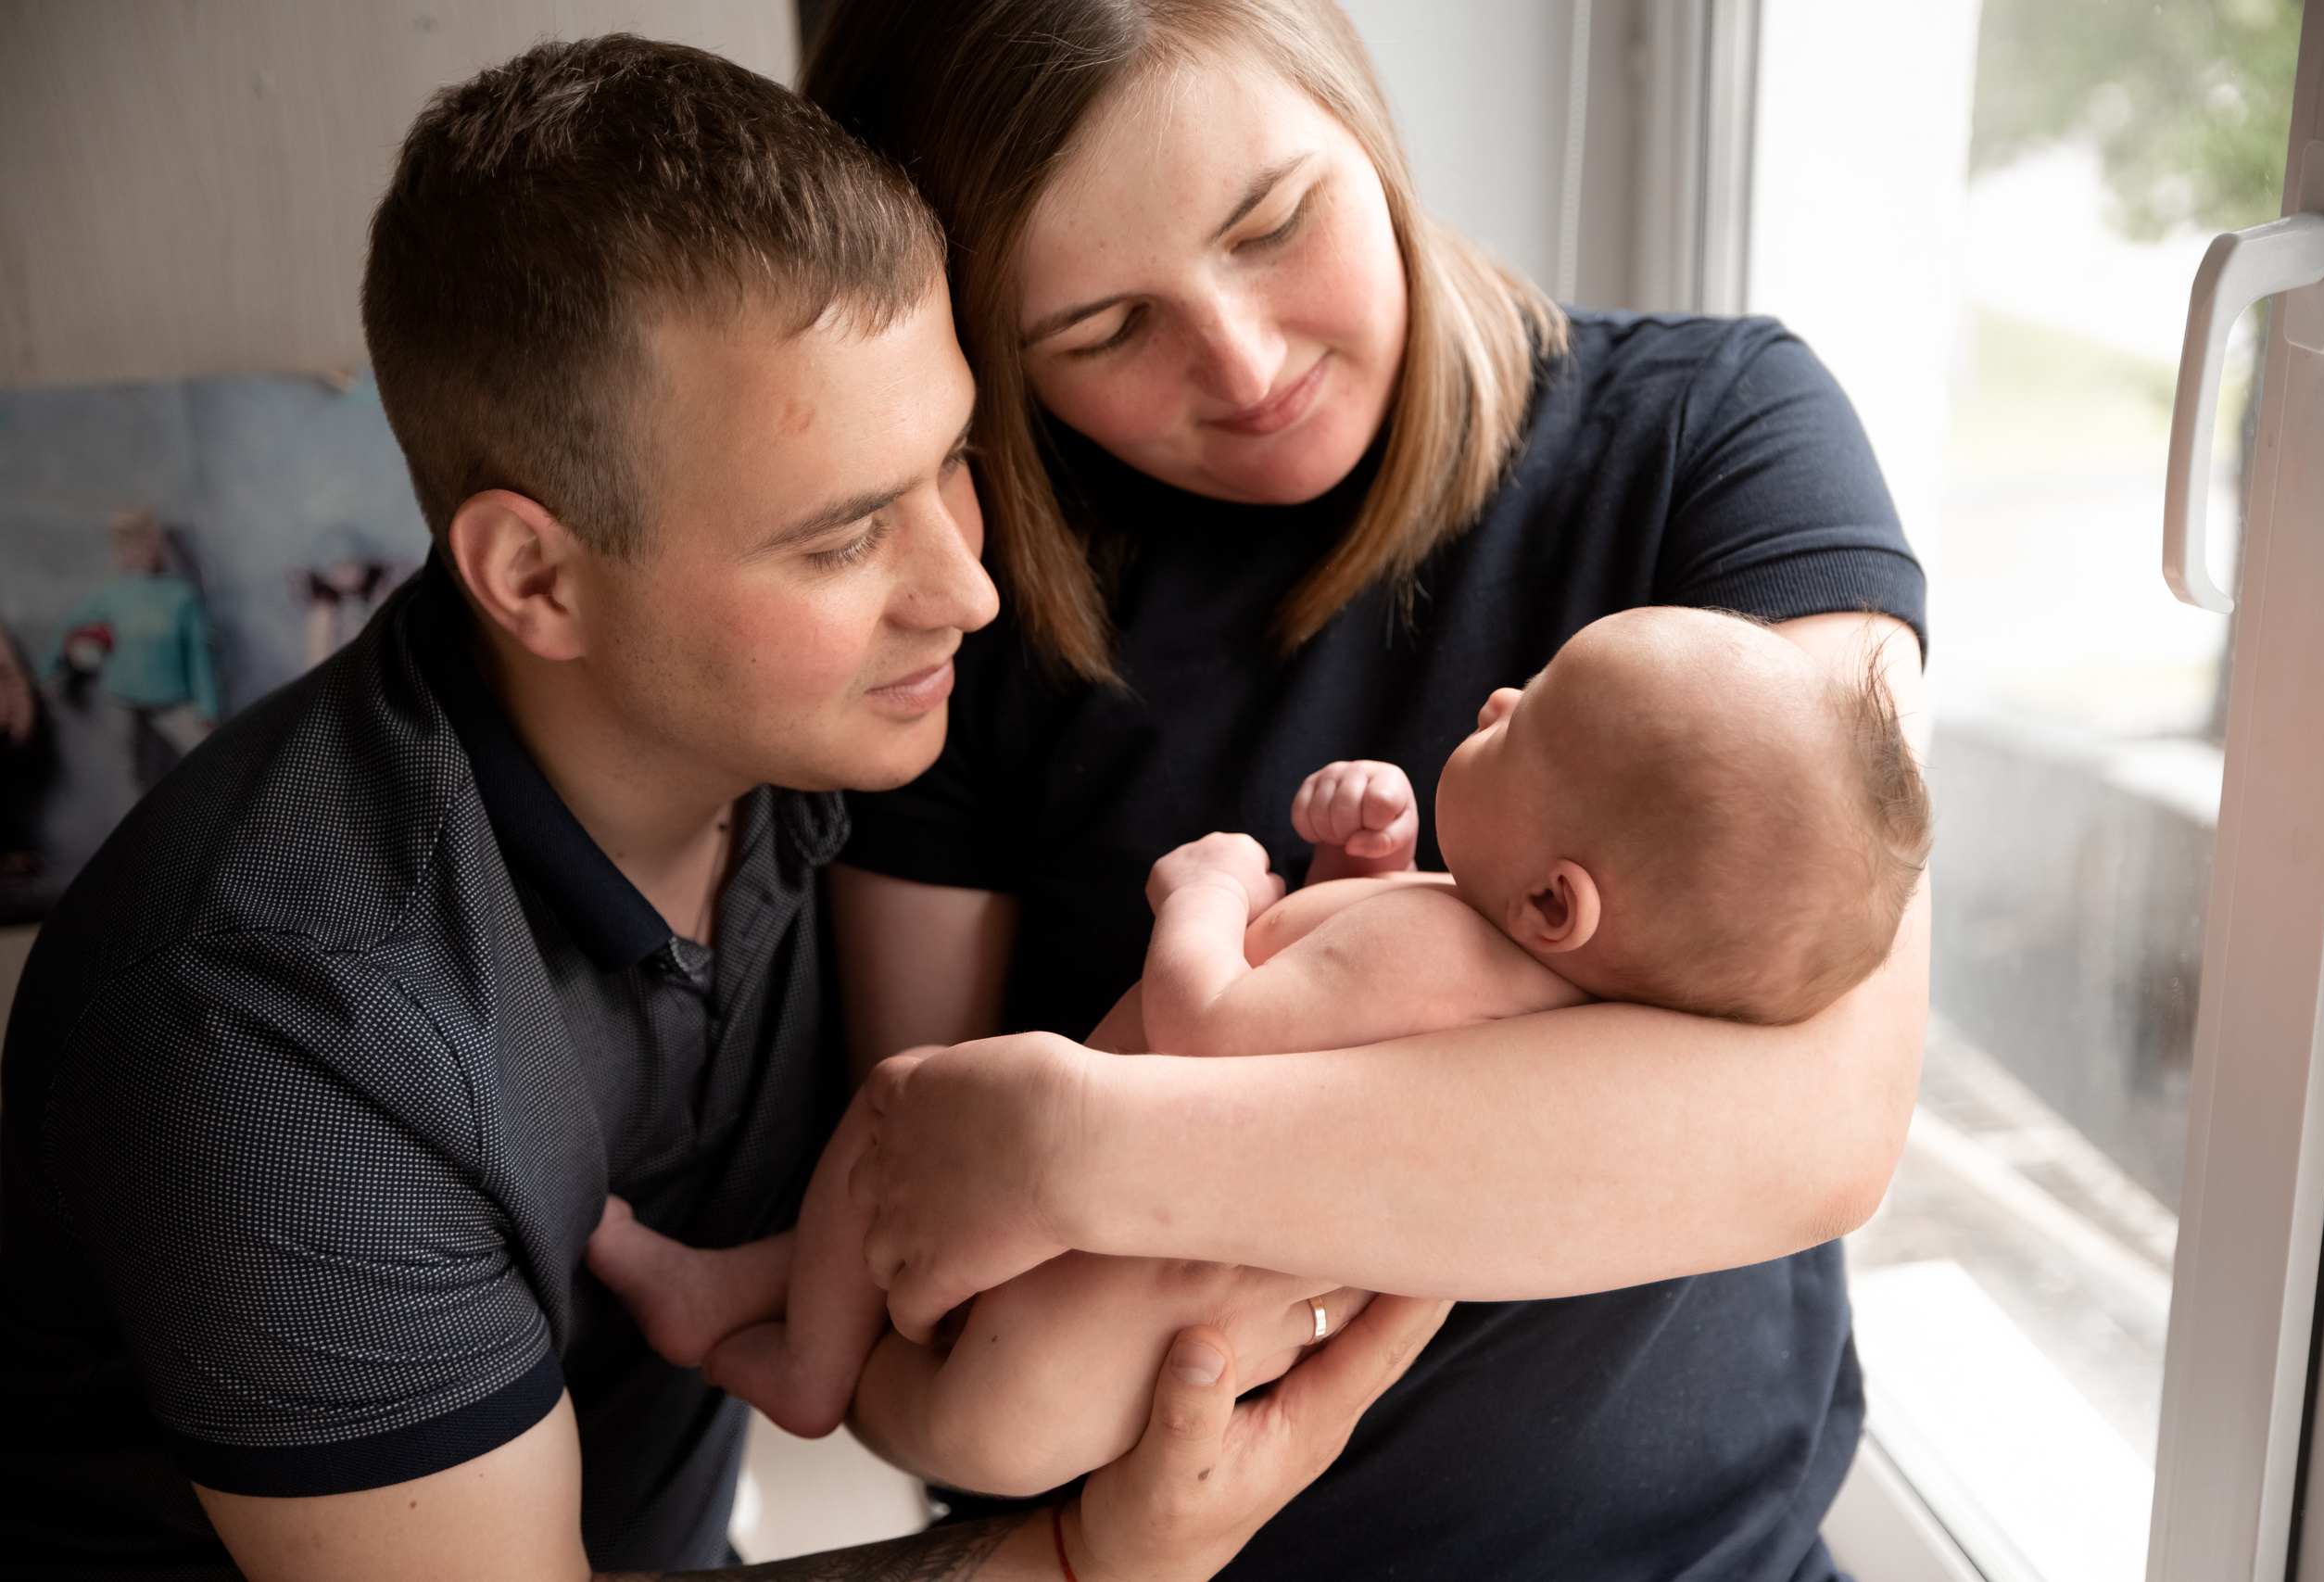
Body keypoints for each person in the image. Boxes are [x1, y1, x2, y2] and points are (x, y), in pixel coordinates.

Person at [0, 37, 1445, 1582]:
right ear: (536, 577)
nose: (966, 589)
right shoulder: (275, 1039)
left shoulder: (815, 745)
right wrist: (1095, 1560)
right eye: (840, 540)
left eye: (952, 460)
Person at [796, 3, 1933, 1577]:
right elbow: (915, 1238)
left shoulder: (1716, 433)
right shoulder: (971, 614)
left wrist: (1085, 1145)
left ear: (1361, 120)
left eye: (1273, 223)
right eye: (1103, 330)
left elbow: (1819, 1124)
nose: (1244, 362)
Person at [587, 604, 1934, 1507]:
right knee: (898, 1193)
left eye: (1529, 722)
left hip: (1025, 1348)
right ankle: (737, 1294)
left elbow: (1214, 1029)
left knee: (897, 1116)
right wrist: (1361, 869)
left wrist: (1212, 888)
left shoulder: (1433, 950)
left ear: (1553, 901)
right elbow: (1332, 1022)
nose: (1499, 694)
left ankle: (799, 1358)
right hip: (1066, 1384)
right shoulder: (1521, 996)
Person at [44, 507, 219, 791]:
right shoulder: (110, 595)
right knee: (131, 769)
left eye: (145, 541)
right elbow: (70, 627)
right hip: (122, 695)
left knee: (208, 752)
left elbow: (199, 654)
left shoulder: (180, 595)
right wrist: (48, 672)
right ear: (119, 550)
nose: (139, 550)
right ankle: (139, 815)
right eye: (129, 543)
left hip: (169, 696)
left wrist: (208, 706)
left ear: (158, 544)